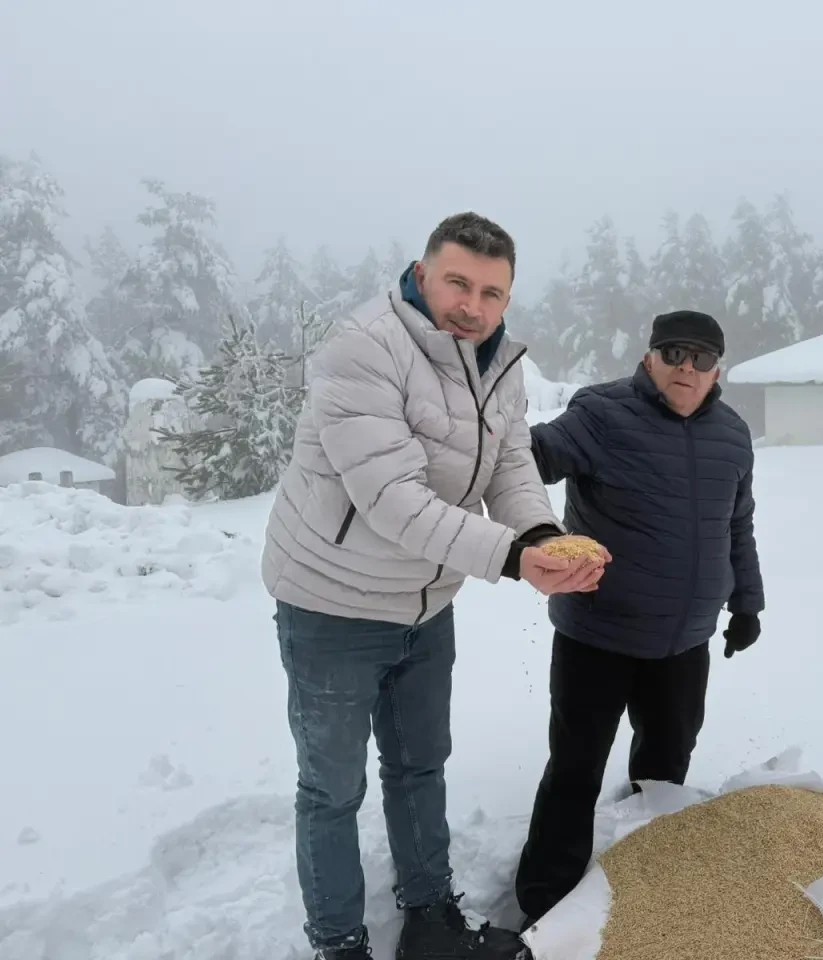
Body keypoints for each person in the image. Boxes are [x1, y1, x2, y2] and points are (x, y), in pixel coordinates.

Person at [261, 212, 608, 960]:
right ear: (422, 275)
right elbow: (393, 500)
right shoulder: (363, 350)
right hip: (331, 604)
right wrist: (515, 560)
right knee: (332, 790)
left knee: (420, 764)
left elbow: (513, 466)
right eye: (458, 282)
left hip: (425, 604)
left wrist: (543, 536)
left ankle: (430, 923)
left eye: (491, 292)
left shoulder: (495, 362)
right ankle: (339, 944)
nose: (472, 306)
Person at [512, 309, 766, 928]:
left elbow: (737, 525)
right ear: (650, 356)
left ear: (717, 370)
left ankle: (649, 881)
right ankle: (546, 902)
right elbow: (529, 459)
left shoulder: (732, 434)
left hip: (685, 643)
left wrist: (747, 603)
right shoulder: (601, 413)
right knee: (575, 769)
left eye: (701, 357)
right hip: (598, 633)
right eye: (674, 352)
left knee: (665, 770)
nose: (687, 367)